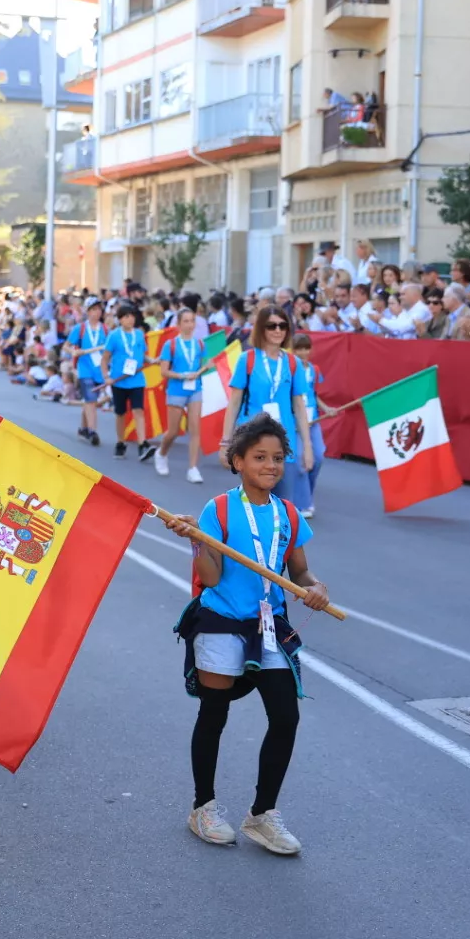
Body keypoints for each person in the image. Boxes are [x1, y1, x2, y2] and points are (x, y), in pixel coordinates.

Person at [163, 414, 331, 855]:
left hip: (267, 628)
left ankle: (261, 815)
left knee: (286, 717)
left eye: (277, 458)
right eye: (259, 457)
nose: (270, 465)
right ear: (237, 461)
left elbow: (300, 571)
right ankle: (203, 807)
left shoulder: (288, 514)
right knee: (214, 715)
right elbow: (212, 579)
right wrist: (197, 542)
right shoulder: (217, 510)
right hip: (220, 622)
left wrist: (315, 588)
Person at [222, 306, 313, 504]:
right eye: (272, 326)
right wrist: (225, 442)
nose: (278, 330)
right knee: (255, 503)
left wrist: (307, 446)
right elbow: (234, 403)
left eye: (283, 325)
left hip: (284, 441)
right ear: (261, 329)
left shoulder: (292, 362)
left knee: (283, 505)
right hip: (252, 440)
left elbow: (299, 407)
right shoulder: (247, 359)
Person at [102, 303, 158, 464]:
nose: (130, 319)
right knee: (120, 413)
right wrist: (106, 376)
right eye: (126, 316)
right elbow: (105, 359)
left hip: (137, 379)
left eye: (132, 316)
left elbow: (143, 355)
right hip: (118, 381)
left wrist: (152, 360)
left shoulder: (139, 335)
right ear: (120, 319)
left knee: (138, 410)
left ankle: (142, 444)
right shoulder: (114, 336)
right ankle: (120, 442)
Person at [155, 308, 205, 484]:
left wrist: (203, 369)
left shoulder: (200, 344)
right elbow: (164, 371)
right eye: (186, 321)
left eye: (192, 321)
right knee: (174, 431)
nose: (190, 325)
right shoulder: (171, 345)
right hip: (176, 389)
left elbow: (205, 364)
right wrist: (183, 375)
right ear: (178, 324)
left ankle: (193, 468)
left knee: (195, 428)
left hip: (195, 389)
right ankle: (161, 453)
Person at [291, 333, 335, 519]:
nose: (303, 352)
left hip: (313, 420)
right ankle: (304, 501)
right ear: (292, 351)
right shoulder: (290, 370)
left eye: (306, 348)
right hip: (296, 421)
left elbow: (313, 393)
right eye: (299, 349)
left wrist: (327, 409)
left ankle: (305, 493)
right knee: (301, 458)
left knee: (318, 456)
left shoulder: (314, 370)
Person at [71, 299, 107, 447]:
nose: (97, 312)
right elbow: (67, 346)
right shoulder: (80, 329)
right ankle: (93, 431)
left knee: (89, 400)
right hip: (85, 369)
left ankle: (84, 428)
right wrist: (74, 352)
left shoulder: (105, 329)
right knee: (91, 400)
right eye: (94, 309)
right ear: (88, 311)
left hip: (99, 369)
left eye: (99, 309)